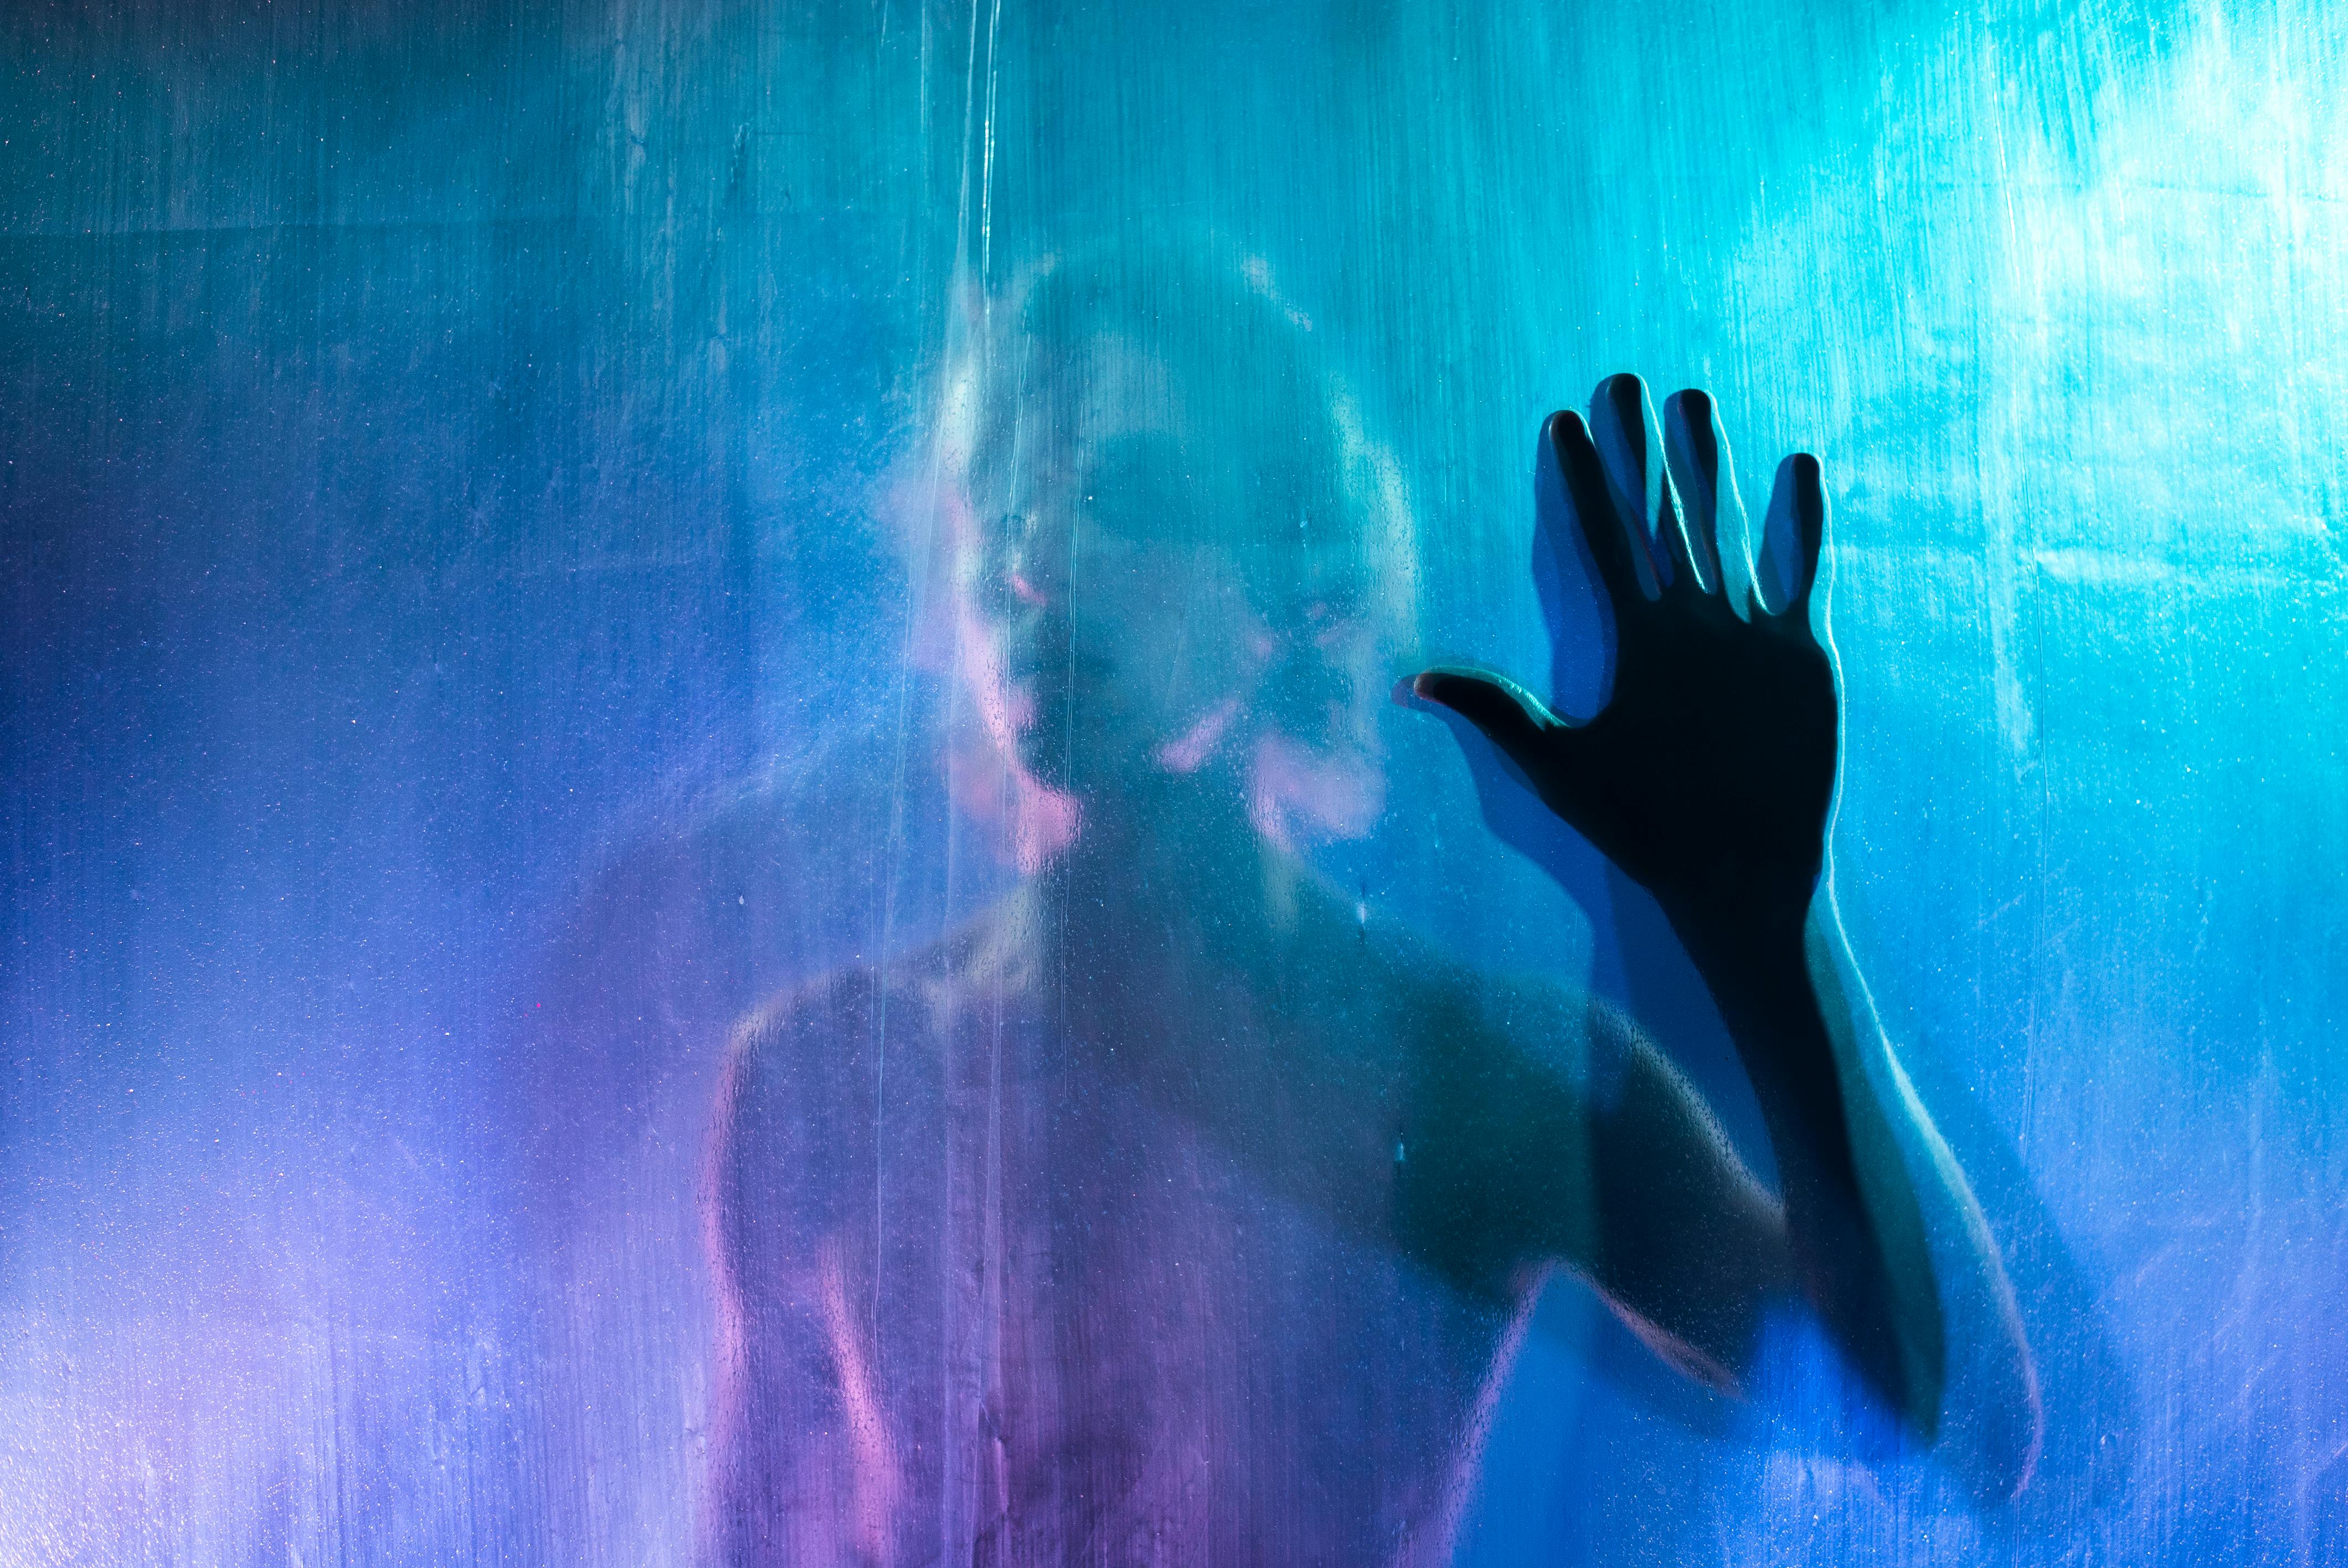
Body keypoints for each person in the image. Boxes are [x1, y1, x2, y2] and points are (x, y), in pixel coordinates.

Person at [703, 245, 2038, 1565]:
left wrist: (1768, 929)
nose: (1040, 557)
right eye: (1006, 498)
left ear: (1294, 591)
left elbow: (1951, 1427)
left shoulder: (1459, 1075)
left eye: (1133, 492)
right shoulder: (824, 1072)